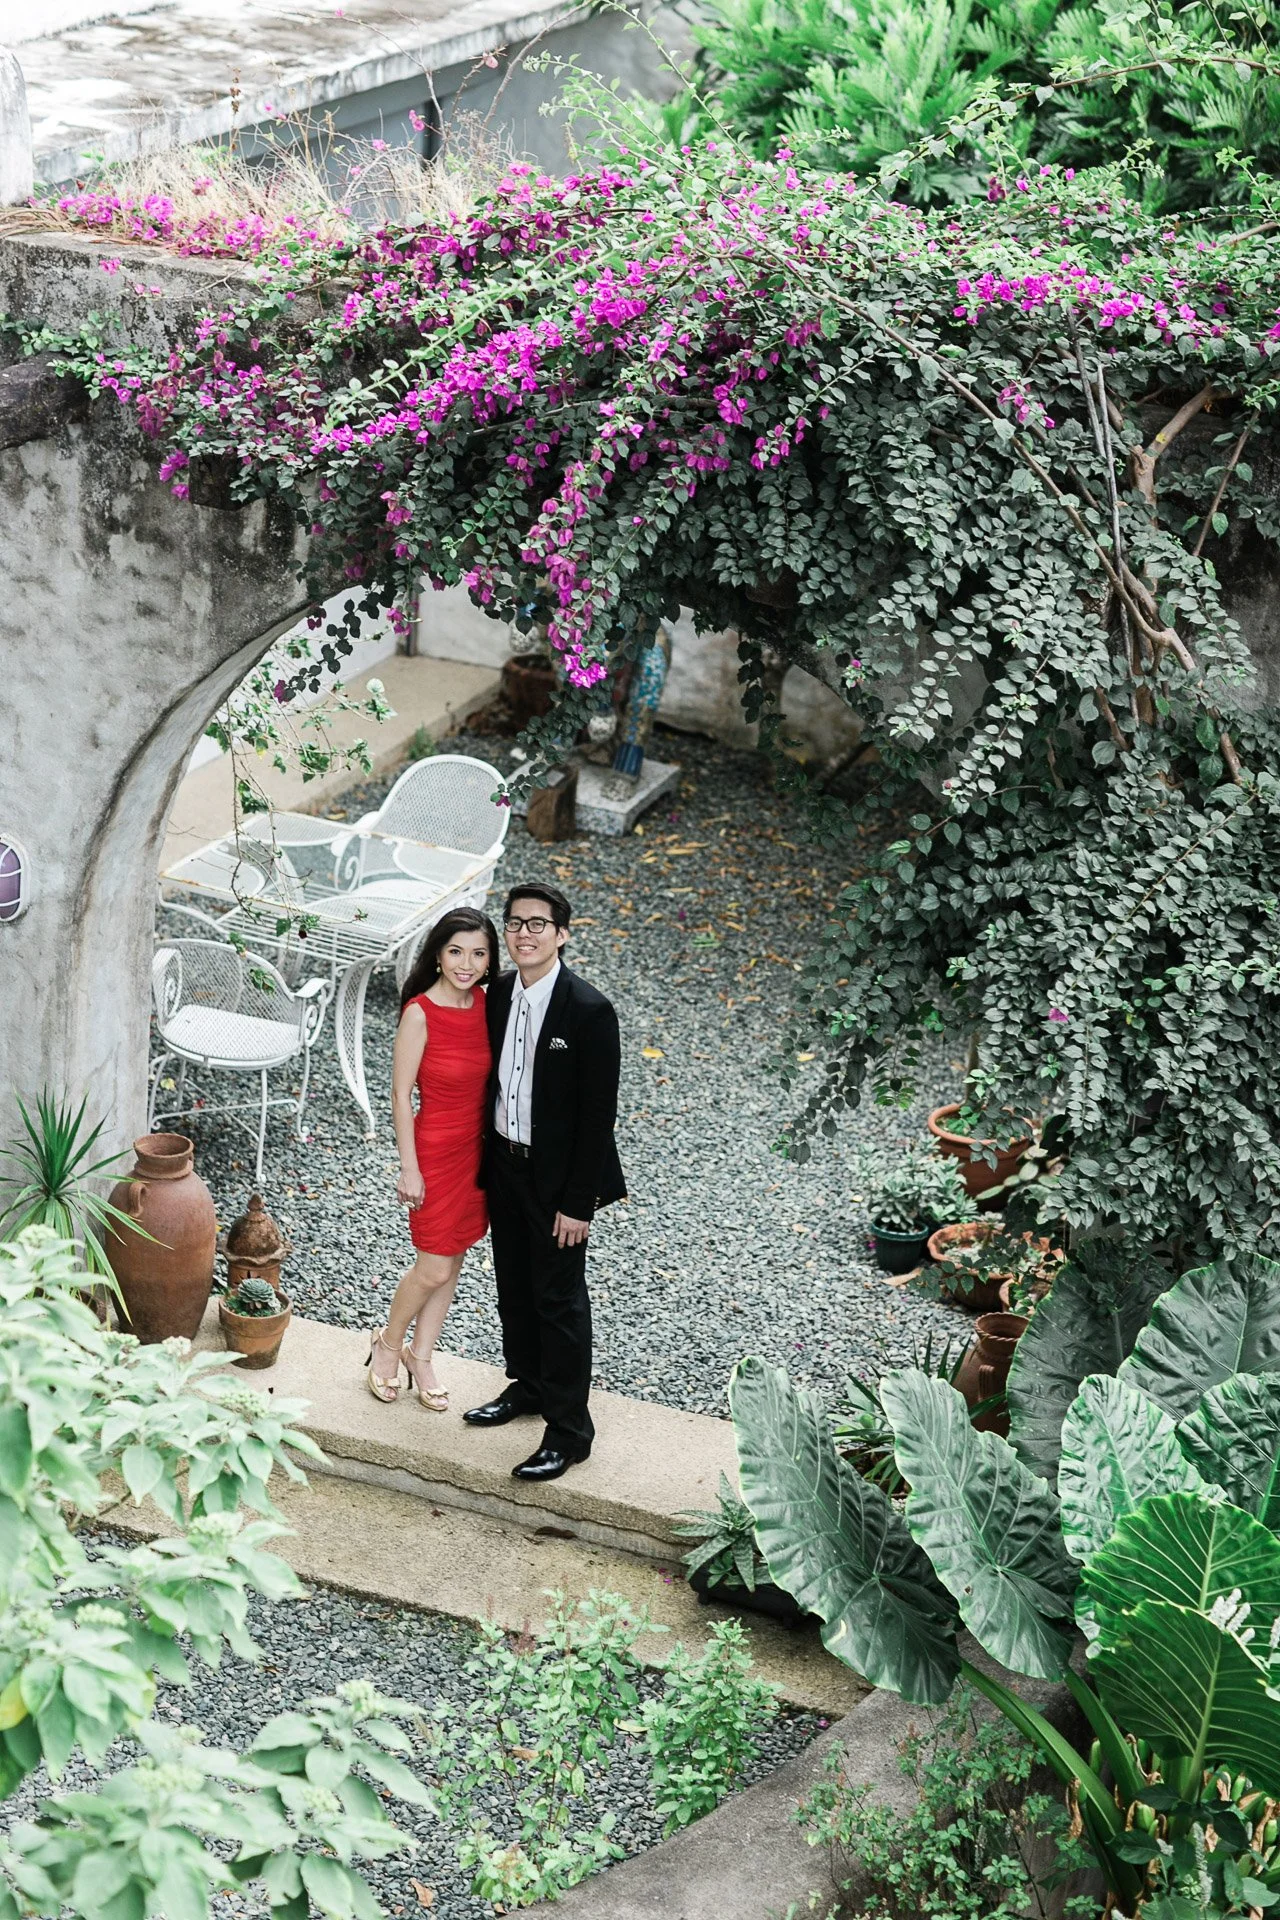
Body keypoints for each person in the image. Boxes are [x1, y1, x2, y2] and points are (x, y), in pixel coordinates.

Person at [463, 883, 626, 1482]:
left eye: (538, 923)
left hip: (557, 1182)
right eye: (515, 923)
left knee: (558, 1301)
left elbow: (597, 1117)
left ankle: (569, 1432)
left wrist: (579, 1203)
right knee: (514, 1286)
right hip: (503, 1165)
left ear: (562, 934)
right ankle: (528, 1386)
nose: (524, 933)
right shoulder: (498, 994)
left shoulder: (589, 1010)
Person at [365, 906, 500, 1409]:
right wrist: (410, 1167)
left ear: (490, 961)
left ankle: (421, 1356)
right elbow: (401, 1096)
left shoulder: (488, 1004)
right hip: (436, 1152)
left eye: (478, 954)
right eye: (456, 951)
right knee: (433, 1268)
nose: (467, 964)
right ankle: (387, 1344)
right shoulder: (420, 1013)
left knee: (454, 1257)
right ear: (438, 956)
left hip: (478, 1153)